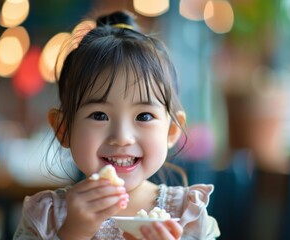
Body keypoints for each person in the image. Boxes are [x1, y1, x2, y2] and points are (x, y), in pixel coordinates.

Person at [14, 11, 220, 240]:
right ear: (63, 128)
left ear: (171, 130)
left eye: (143, 116)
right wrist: (72, 232)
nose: (122, 137)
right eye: (100, 115)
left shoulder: (188, 216)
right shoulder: (46, 217)